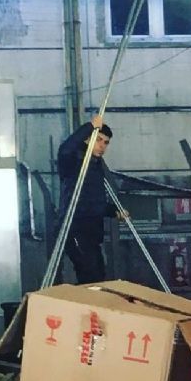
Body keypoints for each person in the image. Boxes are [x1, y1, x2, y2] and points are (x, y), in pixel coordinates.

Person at [55, 114, 123, 284]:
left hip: (91, 231)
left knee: (97, 274)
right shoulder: (73, 162)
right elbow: (65, 149)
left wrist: (113, 210)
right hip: (75, 227)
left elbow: (93, 201)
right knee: (89, 273)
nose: (102, 146)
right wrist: (90, 126)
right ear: (87, 139)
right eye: (98, 140)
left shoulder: (95, 166)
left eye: (106, 142)